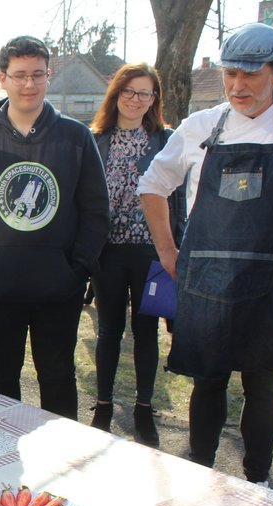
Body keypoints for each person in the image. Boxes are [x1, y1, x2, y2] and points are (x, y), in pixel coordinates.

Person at [138, 23, 273, 485]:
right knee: (207, 380)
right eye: (232, 73)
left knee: (263, 384)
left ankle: (258, 480)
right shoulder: (199, 127)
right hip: (207, 282)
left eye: (251, 75)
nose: (238, 86)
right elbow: (152, 186)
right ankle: (202, 473)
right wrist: (169, 250)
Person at [0, 35, 109, 420]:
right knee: (0, 384)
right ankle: (2, 472)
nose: (29, 84)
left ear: (48, 76)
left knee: (57, 380)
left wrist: (77, 269)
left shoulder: (75, 136)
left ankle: (63, 471)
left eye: (38, 74)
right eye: (19, 75)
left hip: (59, 290)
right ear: (2, 78)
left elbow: (96, 211)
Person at [88, 62, 185, 444]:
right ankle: (104, 404)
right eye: (129, 91)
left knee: (146, 332)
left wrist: (175, 247)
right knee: (109, 329)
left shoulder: (166, 139)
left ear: (154, 99)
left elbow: (180, 198)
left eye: (144, 93)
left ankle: (145, 409)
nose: (135, 99)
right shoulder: (96, 138)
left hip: (152, 251)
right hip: (108, 251)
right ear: (116, 94)